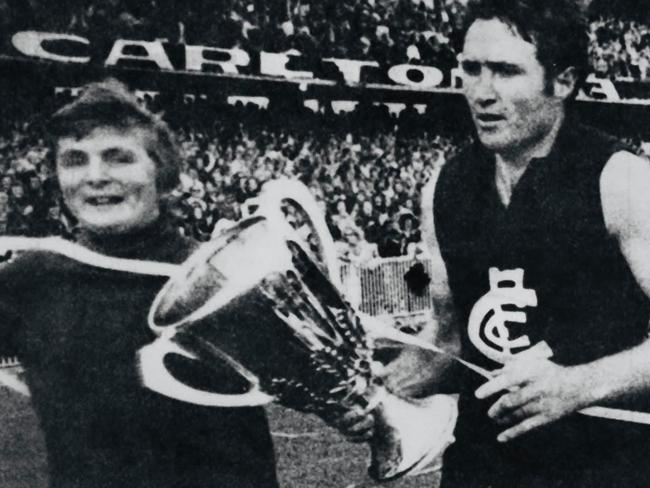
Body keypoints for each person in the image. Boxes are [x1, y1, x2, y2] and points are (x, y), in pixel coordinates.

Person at [339, 1, 650, 487]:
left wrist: (580, 384)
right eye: (471, 69)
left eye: (506, 72)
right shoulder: (445, 187)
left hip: (608, 466)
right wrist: (383, 390)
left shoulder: (621, 181)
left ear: (563, 82)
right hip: (481, 468)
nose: (482, 92)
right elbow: (448, 339)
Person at [0, 80, 279, 488]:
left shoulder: (222, 273)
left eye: (119, 158)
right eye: (75, 160)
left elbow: (345, 364)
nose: (95, 176)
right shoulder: (30, 280)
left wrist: (395, 371)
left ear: (161, 171)